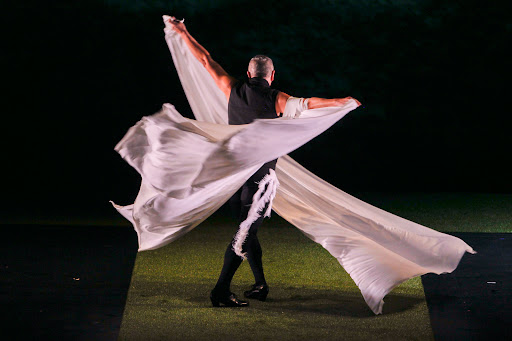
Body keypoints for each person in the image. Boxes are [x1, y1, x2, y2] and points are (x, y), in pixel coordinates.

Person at [167, 17, 361, 308]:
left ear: (248, 73)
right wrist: (342, 100)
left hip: (235, 181)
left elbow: (205, 60)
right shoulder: (276, 98)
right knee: (245, 234)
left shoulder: (231, 88)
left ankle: (260, 285)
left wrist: (182, 32)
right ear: (272, 76)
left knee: (249, 231)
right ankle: (220, 291)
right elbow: (309, 103)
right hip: (259, 182)